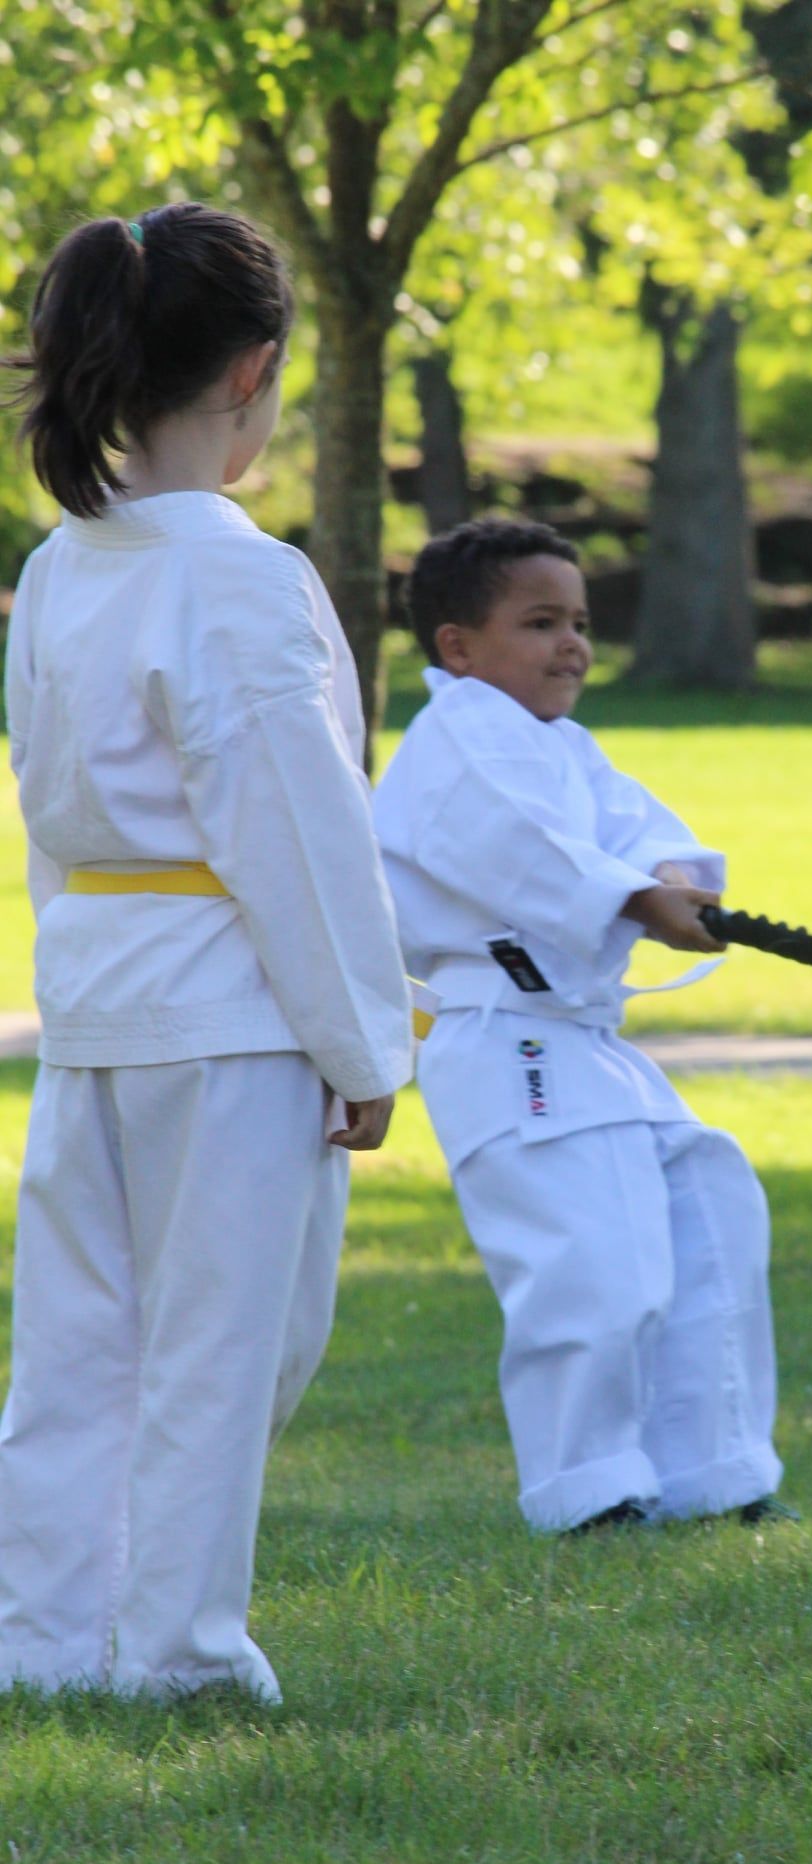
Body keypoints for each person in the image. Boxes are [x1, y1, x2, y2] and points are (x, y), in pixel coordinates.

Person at [0, 203, 412, 1701]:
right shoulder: (238, 579)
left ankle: (48, 1642)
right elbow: (297, 830)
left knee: (82, 1346)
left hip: (105, 995)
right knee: (230, 1348)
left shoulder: (65, 569)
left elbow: (49, 803)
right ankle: (175, 1654)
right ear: (252, 372)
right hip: (230, 1013)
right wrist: (366, 1043)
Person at [373, 518, 785, 1534]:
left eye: (582, 623)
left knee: (706, 1217)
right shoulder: (459, 742)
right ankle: (589, 1490)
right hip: (507, 1040)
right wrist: (640, 899)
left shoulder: (559, 744)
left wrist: (678, 877)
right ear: (458, 646)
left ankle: (712, 1473)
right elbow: (525, 851)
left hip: (580, 1040)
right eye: (541, 622)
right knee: (591, 1265)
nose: (573, 645)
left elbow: (634, 827)